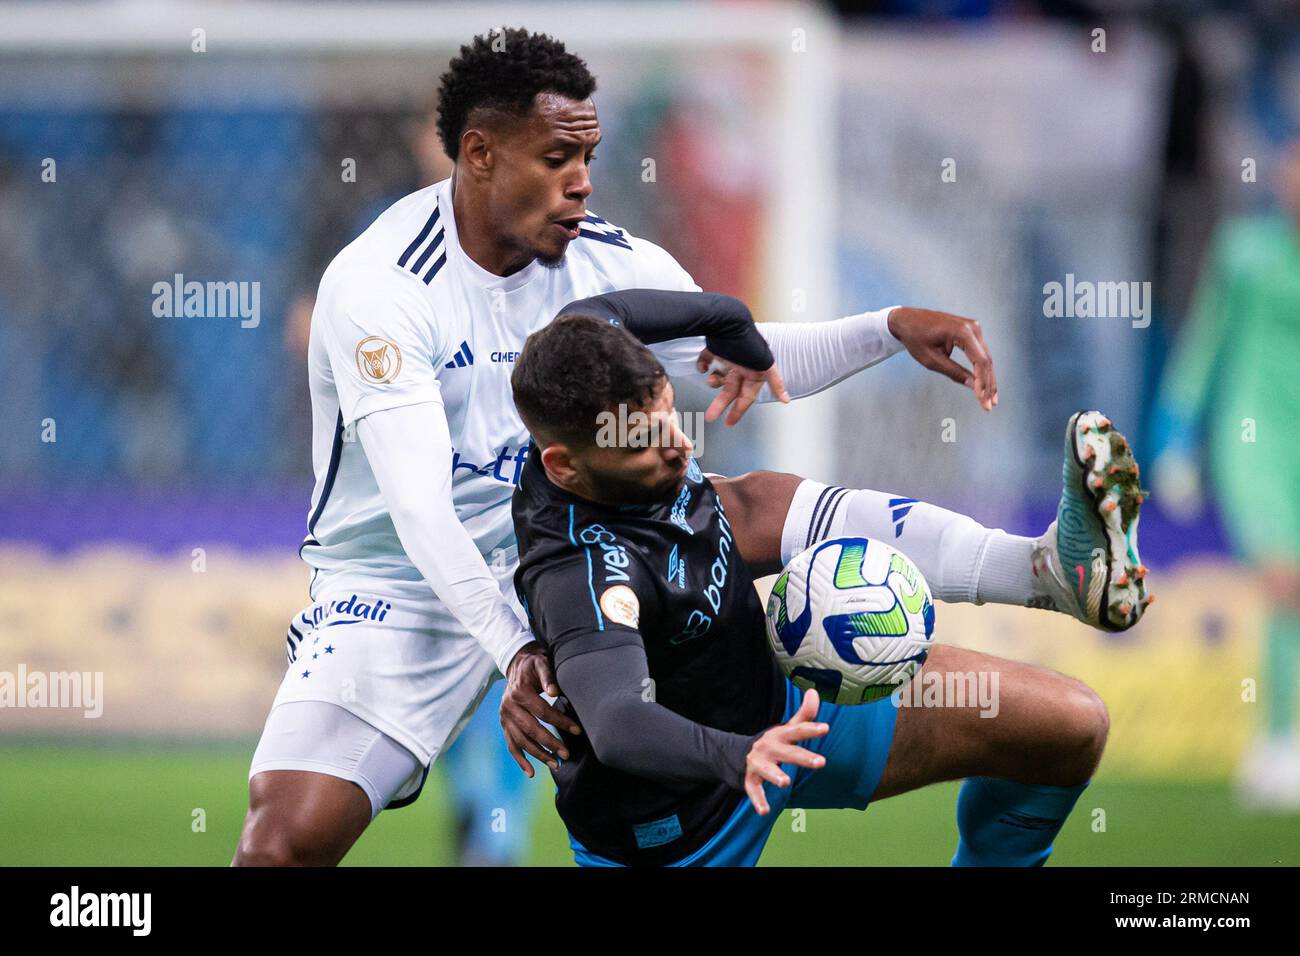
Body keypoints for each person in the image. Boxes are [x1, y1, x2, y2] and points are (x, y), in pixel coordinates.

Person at [233, 27, 1149, 866]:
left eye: (588, 156)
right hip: (405, 590)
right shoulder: (381, 290)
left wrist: (886, 328)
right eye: (558, 158)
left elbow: (735, 359)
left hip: (606, 551)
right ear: (479, 154)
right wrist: (520, 649)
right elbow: (422, 509)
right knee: (284, 846)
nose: (584, 182)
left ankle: (1042, 572)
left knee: (747, 503)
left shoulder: (598, 260)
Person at [511, 312, 1123, 866]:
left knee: (1068, 726)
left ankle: (1038, 571)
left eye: (671, 413)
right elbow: (618, 721)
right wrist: (739, 755)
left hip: (792, 707)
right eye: (646, 439)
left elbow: (634, 309)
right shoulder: (580, 573)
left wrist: (884, 325)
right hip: (679, 830)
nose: (681, 444)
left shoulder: (599, 375)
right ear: (564, 466)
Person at [1153, 137, 1300, 809]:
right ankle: (1276, 743)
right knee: (1282, 577)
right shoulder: (1245, 252)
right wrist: (1176, 435)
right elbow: (1205, 340)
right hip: (1256, 437)